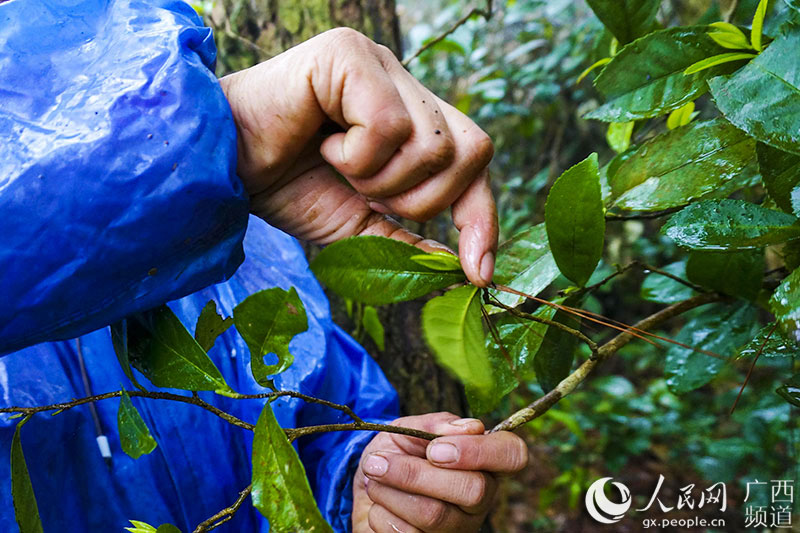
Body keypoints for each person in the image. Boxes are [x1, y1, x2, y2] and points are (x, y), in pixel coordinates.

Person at [0, 0, 528, 531]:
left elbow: (318, 414)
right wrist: (197, 144)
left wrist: (362, 487)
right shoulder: (207, 189)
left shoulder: (232, 227)